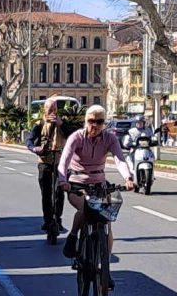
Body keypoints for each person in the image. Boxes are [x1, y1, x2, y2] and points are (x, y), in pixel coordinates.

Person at [58, 105, 135, 287]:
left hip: (99, 184)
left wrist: (128, 178)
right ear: (86, 121)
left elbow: (119, 159)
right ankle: (74, 234)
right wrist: (63, 181)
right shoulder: (76, 137)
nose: (95, 125)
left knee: (106, 221)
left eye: (99, 122)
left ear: (104, 123)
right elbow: (64, 162)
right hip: (76, 183)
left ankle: (105, 268)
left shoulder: (110, 138)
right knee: (84, 210)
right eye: (91, 121)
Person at [26, 96, 73, 232]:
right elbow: (29, 140)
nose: (52, 112)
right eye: (49, 109)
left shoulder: (63, 124)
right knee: (46, 193)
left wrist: (61, 124)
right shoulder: (39, 124)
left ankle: (57, 219)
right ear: (44, 110)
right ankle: (47, 220)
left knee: (59, 192)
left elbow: (73, 135)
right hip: (45, 162)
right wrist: (35, 148)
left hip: (60, 162)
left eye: (54, 109)